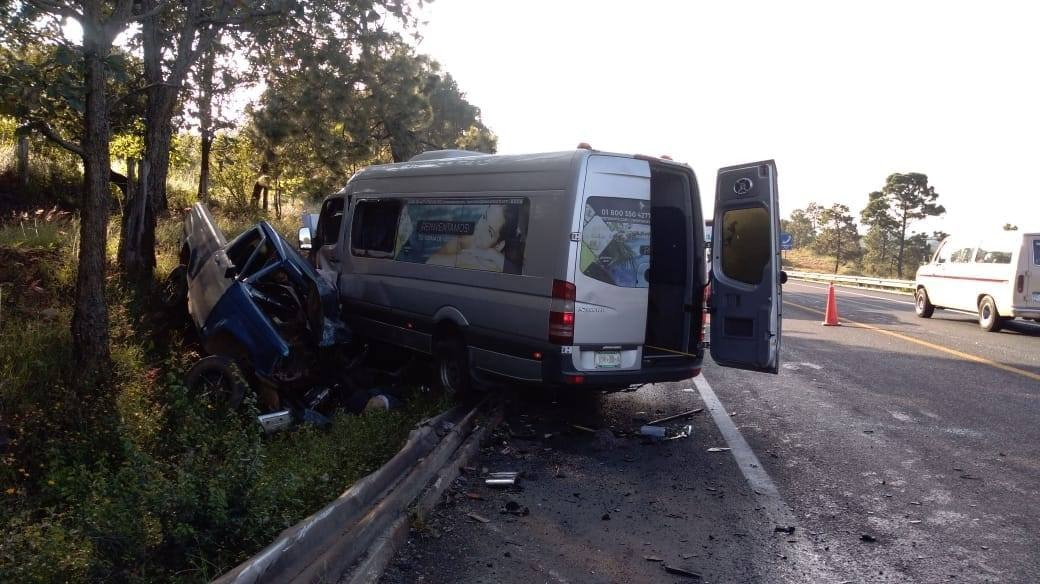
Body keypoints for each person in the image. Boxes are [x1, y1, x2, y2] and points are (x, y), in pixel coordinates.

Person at [426, 204, 525, 273]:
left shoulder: (482, 265)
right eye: (484, 217)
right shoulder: (472, 242)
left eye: (489, 231)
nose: (479, 227)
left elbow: (430, 262)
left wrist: (493, 255)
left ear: (499, 245)